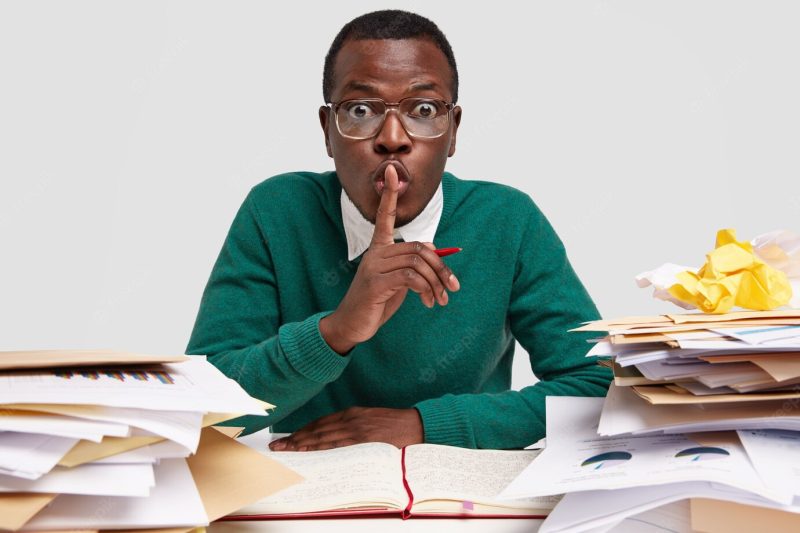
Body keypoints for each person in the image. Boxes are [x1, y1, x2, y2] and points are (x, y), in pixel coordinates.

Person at [186, 9, 611, 451]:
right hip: (310, 493)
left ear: (452, 133)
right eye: (361, 109)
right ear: (328, 132)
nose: (392, 137)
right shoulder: (276, 212)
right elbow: (200, 409)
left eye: (424, 109)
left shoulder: (508, 220)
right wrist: (338, 330)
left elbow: (597, 386)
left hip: (461, 495)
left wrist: (425, 426)